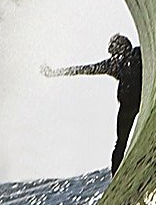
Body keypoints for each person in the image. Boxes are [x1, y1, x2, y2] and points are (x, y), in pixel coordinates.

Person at [45, 33, 144, 173]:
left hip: (128, 104)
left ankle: (115, 177)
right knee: (120, 143)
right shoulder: (134, 54)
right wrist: (55, 72)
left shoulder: (115, 63)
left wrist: (54, 73)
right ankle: (116, 175)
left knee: (120, 143)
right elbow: (83, 69)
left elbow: (82, 69)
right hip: (134, 101)